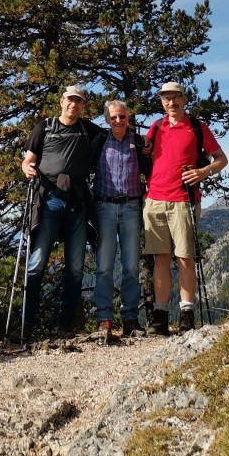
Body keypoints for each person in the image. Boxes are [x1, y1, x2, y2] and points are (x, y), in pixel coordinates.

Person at [143, 81, 228, 335]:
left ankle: (186, 315)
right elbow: (146, 153)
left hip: (184, 199)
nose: (171, 102)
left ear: (185, 99)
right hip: (155, 199)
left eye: (175, 97)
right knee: (160, 258)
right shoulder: (156, 126)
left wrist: (204, 171)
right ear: (162, 101)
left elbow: (222, 159)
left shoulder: (197, 127)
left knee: (185, 257)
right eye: (166, 98)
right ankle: (160, 317)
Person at [20, 84, 104, 337]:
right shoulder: (44, 127)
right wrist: (26, 167)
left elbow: (115, 133)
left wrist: (144, 143)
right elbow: (28, 159)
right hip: (50, 198)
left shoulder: (88, 129)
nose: (74, 105)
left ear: (83, 105)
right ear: (62, 101)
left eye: (79, 101)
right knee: (37, 262)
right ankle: (26, 324)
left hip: (77, 200)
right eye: (70, 100)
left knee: (75, 266)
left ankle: (66, 325)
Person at [89, 99, 151, 340]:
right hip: (104, 206)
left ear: (128, 117)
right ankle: (104, 318)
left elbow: (151, 170)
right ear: (106, 119)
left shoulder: (139, 142)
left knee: (131, 267)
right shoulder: (99, 141)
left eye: (122, 116)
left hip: (131, 207)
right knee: (104, 266)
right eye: (113, 117)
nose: (117, 121)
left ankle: (130, 319)